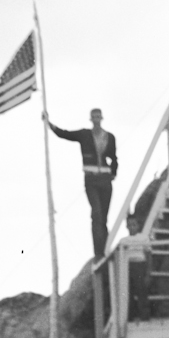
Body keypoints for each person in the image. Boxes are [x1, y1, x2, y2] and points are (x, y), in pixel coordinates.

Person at [49, 107, 118, 259]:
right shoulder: (84, 134)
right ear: (91, 119)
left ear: (102, 118)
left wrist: (113, 173)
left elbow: (114, 157)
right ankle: (98, 252)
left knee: (104, 217)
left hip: (105, 179)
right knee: (96, 213)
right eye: (94, 116)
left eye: (98, 116)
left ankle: (105, 248)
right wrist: (50, 124)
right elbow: (65, 134)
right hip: (91, 179)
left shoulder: (110, 137)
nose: (96, 119)